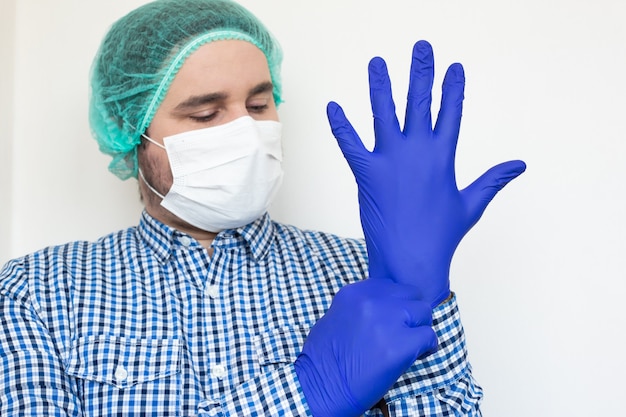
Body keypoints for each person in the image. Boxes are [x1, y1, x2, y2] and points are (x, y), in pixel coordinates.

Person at [0, 0, 525, 416]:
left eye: (258, 105)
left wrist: (420, 285)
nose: (246, 134)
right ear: (130, 132)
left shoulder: (360, 271)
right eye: (206, 114)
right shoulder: (39, 293)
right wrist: (303, 396)